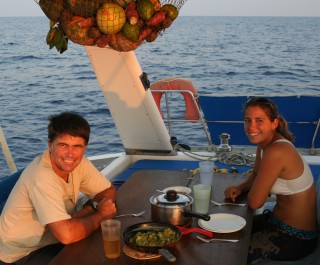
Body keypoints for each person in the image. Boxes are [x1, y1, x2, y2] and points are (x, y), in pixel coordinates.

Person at [0, 112, 117, 265]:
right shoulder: (41, 177)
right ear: (50, 145)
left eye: (77, 146)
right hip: (20, 253)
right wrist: (101, 215)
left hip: (53, 240)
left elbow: (108, 191)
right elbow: (67, 235)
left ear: (84, 148)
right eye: (63, 145)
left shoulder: (79, 163)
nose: (70, 154)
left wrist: (91, 209)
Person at [224, 97, 318, 264]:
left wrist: (258, 187)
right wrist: (240, 187)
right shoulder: (265, 143)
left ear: (274, 124)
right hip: (276, 221)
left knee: (231, 252)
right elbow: (255, 174)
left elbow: (255, 203)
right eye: (247, 120)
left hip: (295, 237)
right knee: (227, 229)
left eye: (259, 120)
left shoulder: (277, 150)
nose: (251, 127)